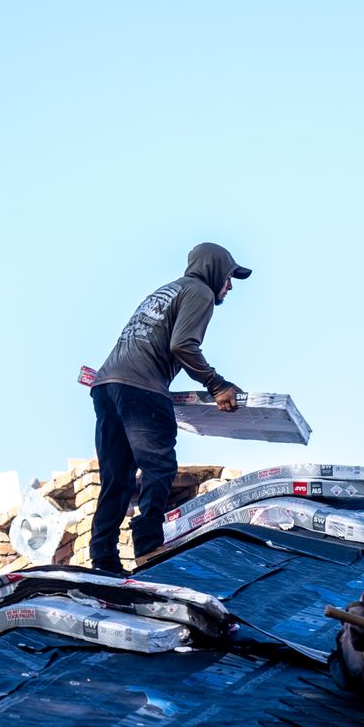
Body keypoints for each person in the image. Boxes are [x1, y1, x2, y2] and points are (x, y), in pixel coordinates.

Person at [88, 242, 251, 574]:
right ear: (214, 271)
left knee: (117, 477)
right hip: (140, 388)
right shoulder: (201, 292)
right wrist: (217, 384)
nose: (230, 286)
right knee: (159, 466)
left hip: (106, 386)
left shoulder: (166, 290)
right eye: (229, 278)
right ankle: (149, 547)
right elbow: (183, 345)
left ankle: (103, 559)